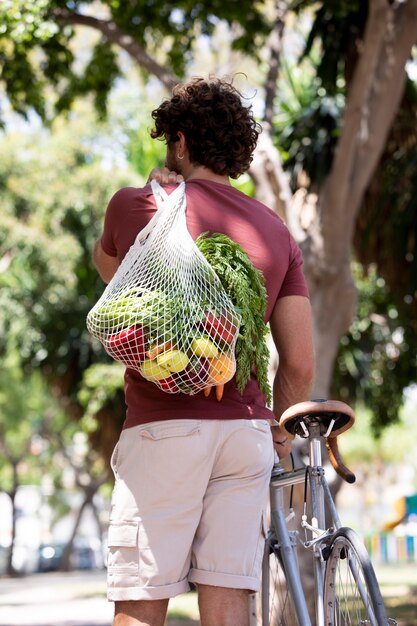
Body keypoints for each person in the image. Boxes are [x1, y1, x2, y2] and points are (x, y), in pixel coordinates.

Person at [92, 76, 315, 626]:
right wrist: (279, 432)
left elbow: (109, 273)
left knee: (143, 600)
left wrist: (158, 205)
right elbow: (301, 362)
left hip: (163, 429)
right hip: (245, 437)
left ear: (182, 143)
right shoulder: (275, 232)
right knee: (229, 600)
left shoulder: (137, 205)